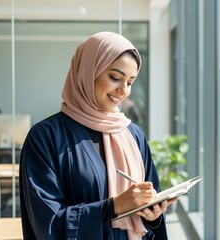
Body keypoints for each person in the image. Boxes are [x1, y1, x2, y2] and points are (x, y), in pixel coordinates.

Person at [19, 31, 176, 239]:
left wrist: (153, 215)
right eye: (115, 77)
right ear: (87, 71)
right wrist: (114, 206)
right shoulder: (45, 138)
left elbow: (151, 212)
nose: (123, 91)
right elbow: (47, 223)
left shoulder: (133, 134)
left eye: (130, 82)